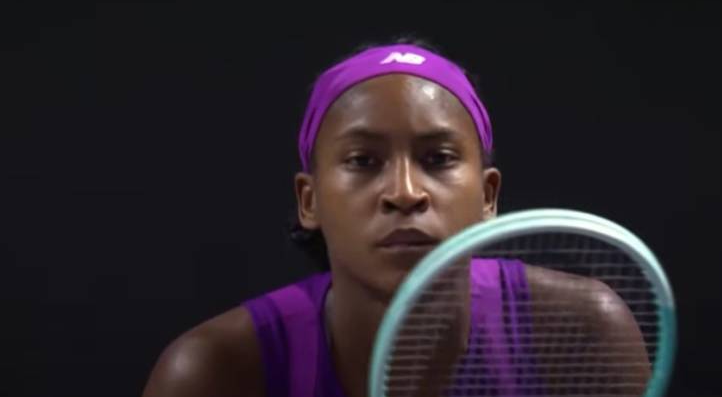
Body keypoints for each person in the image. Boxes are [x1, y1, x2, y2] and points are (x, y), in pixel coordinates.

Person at [141, 37, 650, 397]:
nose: (405, 193)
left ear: (488, 196)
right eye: (363, 161)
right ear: (309, 201)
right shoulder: (213, 372)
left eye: (438, 159)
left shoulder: (582, 333)